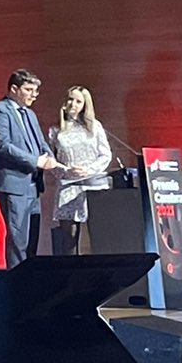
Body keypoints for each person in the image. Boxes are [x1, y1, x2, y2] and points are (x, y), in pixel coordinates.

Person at [0, 69, 58, 269]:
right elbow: (2, 146)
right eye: (29, 89)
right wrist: (35, 161)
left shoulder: (30, 114)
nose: (34, 94)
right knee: (18, 239)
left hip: (33, 184)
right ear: (14, 89)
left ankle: (28, 281)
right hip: (13, 183)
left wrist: (52, 160)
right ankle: (15, 285)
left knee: (32, 237)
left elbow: (40, 143)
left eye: (36, 90)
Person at [49, 84, 125, 256]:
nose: (73, 104)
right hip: (69, 186)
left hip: (94, 186)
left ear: (85, 105)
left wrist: (89, 170)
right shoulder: (55, 131)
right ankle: (72, 278)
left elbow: (105, 155)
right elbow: (52, 162)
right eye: (70, 99)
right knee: (69, 240)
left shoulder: (95, 126)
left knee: (99, 235)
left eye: (78, 101)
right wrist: (66, 171)